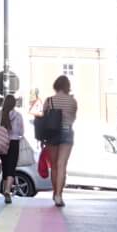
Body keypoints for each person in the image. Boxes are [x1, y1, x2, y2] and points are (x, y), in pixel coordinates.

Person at [42, 75, 78, 207]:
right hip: (67, 132)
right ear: (67, 86)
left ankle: (55, 193)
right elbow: (73, 118)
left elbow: (43, 117)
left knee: (54, 165)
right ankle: (59, 194)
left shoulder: (50, 100)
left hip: (52, 133)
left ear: (56, 85)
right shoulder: (73, 101)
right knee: (62, 164)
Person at [0, 92, 24, 204]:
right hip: (14, 143)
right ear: (14, 104)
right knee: (11, 167)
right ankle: (8, 190)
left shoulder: (0, 114)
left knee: (5, 166)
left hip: (2, 142)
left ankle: (4, 190)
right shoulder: (18, 116)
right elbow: (21, 132)